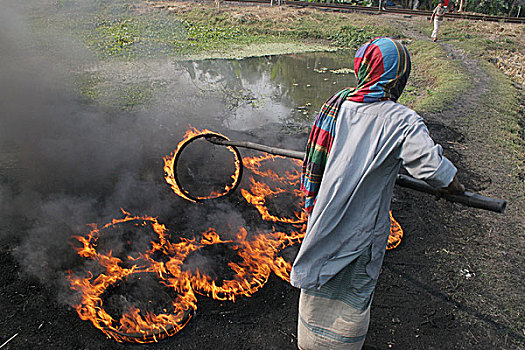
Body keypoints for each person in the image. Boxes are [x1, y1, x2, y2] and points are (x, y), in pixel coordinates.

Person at [290, 37, 464, 350]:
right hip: (360, 232)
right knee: (350, 299)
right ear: (398, 78)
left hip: (323, 217)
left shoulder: (338, 105)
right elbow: (432, 169)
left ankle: (311, 344)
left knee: (318, 291)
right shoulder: (402, 120)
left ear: (363, 70)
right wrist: (453, 185)